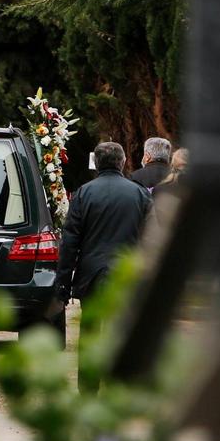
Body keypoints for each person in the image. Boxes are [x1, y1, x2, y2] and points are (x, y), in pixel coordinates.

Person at [54, 142, 151, 391]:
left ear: (96, 163)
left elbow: (70, 241)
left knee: (89, 332)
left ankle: (88, 387)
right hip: (126, 272)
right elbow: (150, 238)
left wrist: (63, 282)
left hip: (92, 273)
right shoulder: (139, 194)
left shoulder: (84, 193)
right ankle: (121, 386)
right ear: (123, 161)